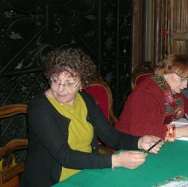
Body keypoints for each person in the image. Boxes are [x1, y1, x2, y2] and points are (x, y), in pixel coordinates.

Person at [20, 47, 163, 187]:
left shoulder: (85, 100)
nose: (60, 89)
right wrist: (115, 160)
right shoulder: (39, 107)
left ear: (82, 83)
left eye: (69, 83)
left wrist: (139, 142)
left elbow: (110, 136)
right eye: (55, 81)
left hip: (87, 173)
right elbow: (64, 156)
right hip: (55, 182)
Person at [115, 54, 188, 142]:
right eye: (182, 79)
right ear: (166, 72)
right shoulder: (145, 93)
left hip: (154, 142)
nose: (186, 85)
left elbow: (187, 105)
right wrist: (178, 132)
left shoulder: (168, 88)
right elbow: (139, 131)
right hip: (128, 145)